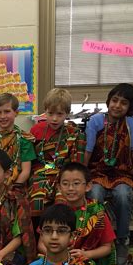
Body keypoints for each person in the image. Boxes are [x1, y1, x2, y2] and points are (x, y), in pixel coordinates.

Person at [85, 83, 133, 265]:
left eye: (123, 103)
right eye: (114, 100)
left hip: (123, 173)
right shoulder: (95, 121)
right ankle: (96, 241)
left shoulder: (131, 123)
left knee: (123, 195)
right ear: (108, 101)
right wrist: (80, 179)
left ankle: (122, 241)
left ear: (130, 108)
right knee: (94, 195)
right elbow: (87, 150)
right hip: (97, 171)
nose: (117, 106)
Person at [53, 161, 116, 265]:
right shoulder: (55, 211)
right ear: (59, 187)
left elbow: (107, 248)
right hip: (57, 260)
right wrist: (59, 255)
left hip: (86, 263)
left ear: (88, 186)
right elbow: (42, 244)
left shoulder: (97, 213)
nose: (70, 188)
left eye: (76, 183)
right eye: (65, 183)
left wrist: (86, 254)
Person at [29, 87, 86, 216]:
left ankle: (64, 232)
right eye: (50, 114)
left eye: (59, 114)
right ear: (45, 112)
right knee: (36, 200)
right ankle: (40, 232)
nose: (54, 119)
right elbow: (30, 160)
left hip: (64, 174)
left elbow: (77, 164)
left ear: (67, 113)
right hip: (40, 174)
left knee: (63, 202)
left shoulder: (74, 133)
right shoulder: (35, 130)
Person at [0, 93, 36, 188]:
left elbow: (26, 171)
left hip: (16, 186)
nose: (2, 116)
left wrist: (12, 189)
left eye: (7, 111)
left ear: (16, 113)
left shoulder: (24, 139)